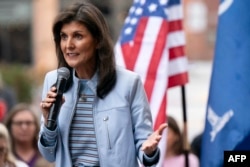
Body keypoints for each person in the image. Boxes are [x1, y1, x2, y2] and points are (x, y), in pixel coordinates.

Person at [38, 1, 167, 167]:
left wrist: (149, 152)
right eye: (64, 36)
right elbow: (49, 155)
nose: (68, 45)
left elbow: (144, 146)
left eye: (78, 36)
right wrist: (49, 122)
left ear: (97, 40)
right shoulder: (53, 81)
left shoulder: (129, 83)